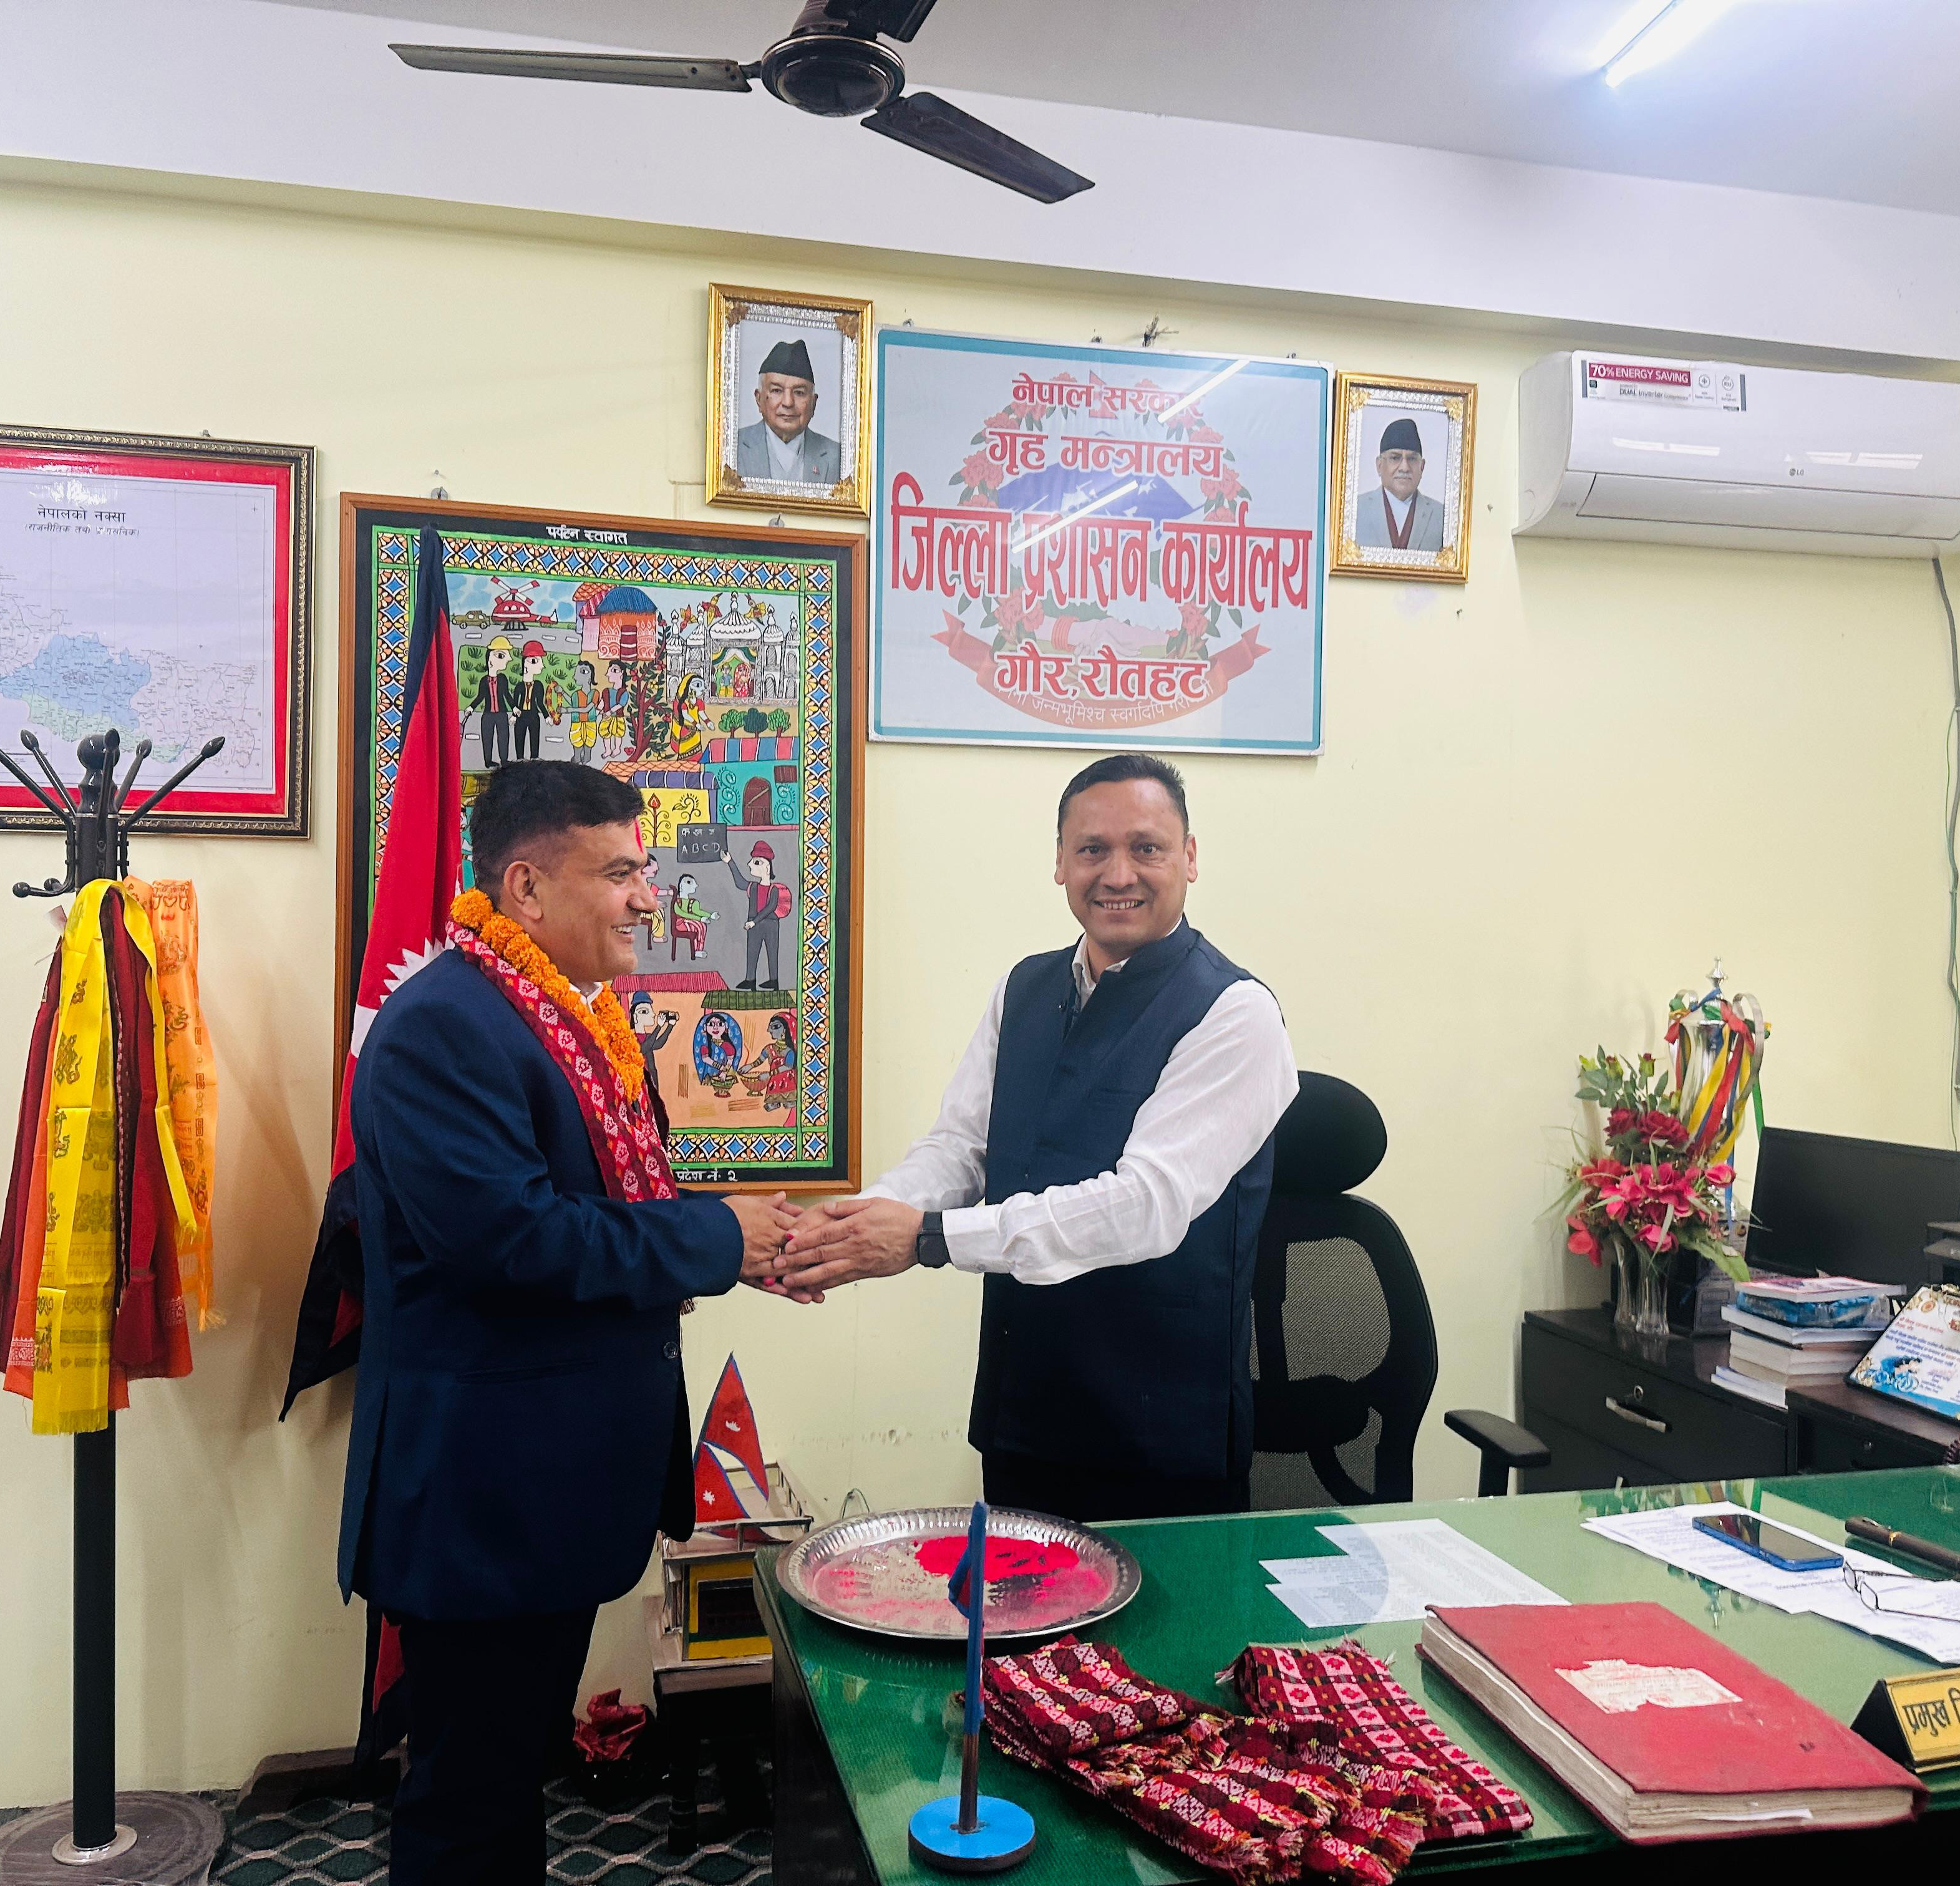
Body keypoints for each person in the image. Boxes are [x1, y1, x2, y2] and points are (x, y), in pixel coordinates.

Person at [337, 760, 800, 1886]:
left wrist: (755, 1241)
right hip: (484, 1496)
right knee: (469, 1795)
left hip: (552, 1487)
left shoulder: (566, 1016)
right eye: (620, 872)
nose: (647, 895)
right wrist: (720, 1240)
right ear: (527, 886)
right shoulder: (443, 1027)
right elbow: (514, 1239)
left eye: (644, 869)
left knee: (512, 1773)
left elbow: (612, 1207)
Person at [775, 753, 1298, 1523]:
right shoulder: (1024, 989)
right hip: (1024, 1414)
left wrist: (926, 1238)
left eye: (1146, 848)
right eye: (1092, 849)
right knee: (1015, 1603)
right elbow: (963, 1148)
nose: (1118, 874)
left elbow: (1145, 1206)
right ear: (1060, 863)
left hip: (1160, 1438)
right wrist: (855, 1224)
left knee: (1161, 1610)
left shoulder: (1234, 1012)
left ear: (1189, 857)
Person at [734, 336, 840, 486]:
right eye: (777, 391)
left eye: (799, 393)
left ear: (813, 404)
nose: (788, 403)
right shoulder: (733, 447)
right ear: (759, 399)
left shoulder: (838, 457)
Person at [1351, 415, 1444, 553]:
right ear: (1379, 465)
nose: (1405, 468)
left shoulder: (1441, 517)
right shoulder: (1355, 511)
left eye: (1412, 459)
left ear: (1422, 467)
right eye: (1395, 458)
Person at [729, 838, 790, 991]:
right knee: (752, 951)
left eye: (757, 862)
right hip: (754, 925)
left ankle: (774, 980)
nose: (750, 864)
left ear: (767, 868)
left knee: (772, 952)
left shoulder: (774, 889)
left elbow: (770, 907)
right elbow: (739, 882)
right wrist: (730, 862)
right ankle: (750, 979)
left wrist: (754, 922)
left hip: (770, 924)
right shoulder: (753, 887)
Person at [471, 634, 517, 769]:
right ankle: (488, 761)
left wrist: (514, 707)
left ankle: (504, 760)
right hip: (488, 715)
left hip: (501, 714)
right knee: (487, 737)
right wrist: (471, 707)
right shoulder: (484, 681)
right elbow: (480, 697)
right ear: (490, 660)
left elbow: (507, 695)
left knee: (503, 737)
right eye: (501, 656)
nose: (507, 660)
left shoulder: (503, 679)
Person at [511, 640, 550, 760]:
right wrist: (514, 716)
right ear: (526, 664)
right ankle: (520, 758)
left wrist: (546, 716)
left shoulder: (538, 685)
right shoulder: (519, 686)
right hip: (521, 716)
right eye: (535, 661)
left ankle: (535, 757)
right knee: (519, 736)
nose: (542, 666)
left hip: (533, 715)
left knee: (534, 736)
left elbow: (540, 703)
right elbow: (515, 703)